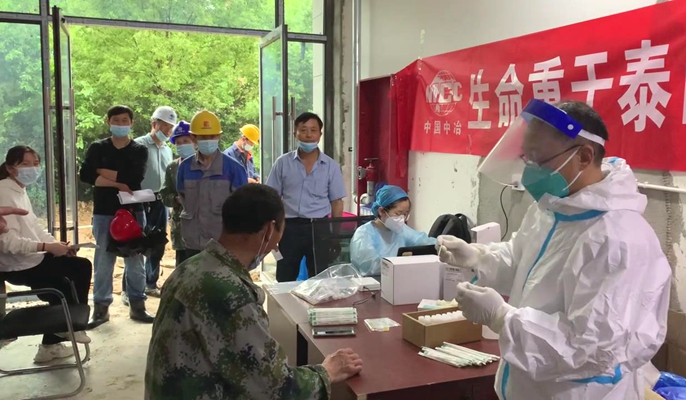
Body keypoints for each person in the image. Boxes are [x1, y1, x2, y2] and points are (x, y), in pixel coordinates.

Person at [437, 99, 671, 400]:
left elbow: (590, 348)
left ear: (584, 156)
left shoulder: (617, 240)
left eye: (538, 159)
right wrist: (479, 257)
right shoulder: (552, 208)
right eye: (526, 158)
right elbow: (524, 264)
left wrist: (502, 318)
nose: (529, 171)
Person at [145, 184, 363, 399]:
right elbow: (276, 389)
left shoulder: (189, 268)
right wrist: (326, 372)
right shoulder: (230, 293)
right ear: (269, 230)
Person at [0, 146, 94, 363]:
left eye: (36, 164)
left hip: (31, 258)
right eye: (25, 164)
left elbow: (34, 226)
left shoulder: (19, 189)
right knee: (75, 272)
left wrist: (56, 244)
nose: (33, 169)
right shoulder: (4, 192)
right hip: (19, 265)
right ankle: (66, 328)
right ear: (11, 168)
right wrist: (47, 247)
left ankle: (53, 342)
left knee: (71, 274)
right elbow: (7, 243)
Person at [79, 105, 155, 328]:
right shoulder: (98, 147)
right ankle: (101, 308)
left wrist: (101, 172)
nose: (120, 124)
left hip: (133, 210)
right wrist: (118, 183)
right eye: (116, 120)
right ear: (108, 122)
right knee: (103, 260)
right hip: (104, 211)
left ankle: (138, 305)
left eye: (124, 120)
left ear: (131, 123)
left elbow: (134, 178)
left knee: (135, 259)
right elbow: (85, 175)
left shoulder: (139, 149)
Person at [266, 112, 347, 282]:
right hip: (289, 228)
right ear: (295, 134)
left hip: (319, 228)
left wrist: (335, 235)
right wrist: (273, 231)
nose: (309, 135)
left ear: (320, 134)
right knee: (285, 277)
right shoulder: (282, 163)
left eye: (313, 130)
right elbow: (271, 198)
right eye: (303, 130)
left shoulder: (331, 166)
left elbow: (337, 202)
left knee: (319, 278)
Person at [176, 110, 248, 258]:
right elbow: (183, 197)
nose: (208, 141)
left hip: (223, 243)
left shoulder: (234, 169)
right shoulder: (185, 168)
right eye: (203, 137)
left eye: (212, 136)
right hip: (193, 242)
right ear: (194, 138)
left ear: (219, 136)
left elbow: (242, 207)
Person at [124, 106, 176, 299]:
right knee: (136, 244)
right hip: (140, 199)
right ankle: (129, 289)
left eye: (171, 127)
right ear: (154, 124)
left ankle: (150, 283)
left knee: (157, 243)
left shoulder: (167, 150)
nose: (168, 131)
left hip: (160, 201)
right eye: (165, 126)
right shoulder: (139, 146)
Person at [350, 185, 435, 276]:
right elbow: (370, 267)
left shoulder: (401, 230)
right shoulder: (364, 234)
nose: (402, 218)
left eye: (405, 214)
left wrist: (440, 243)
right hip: (371, 282)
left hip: (397, 279)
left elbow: (422, 241)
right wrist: (400, 262)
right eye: (398, 213)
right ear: (381, 211)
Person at [160, 121, 195, 267]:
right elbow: (164, 194)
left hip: (203, 229)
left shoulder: (206, 164)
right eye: (178, 143)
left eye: (186, 141)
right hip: (180, 227)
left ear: (195, 142)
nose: (182, 145)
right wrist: (176, 199)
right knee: (182, 268)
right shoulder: (172, 168)